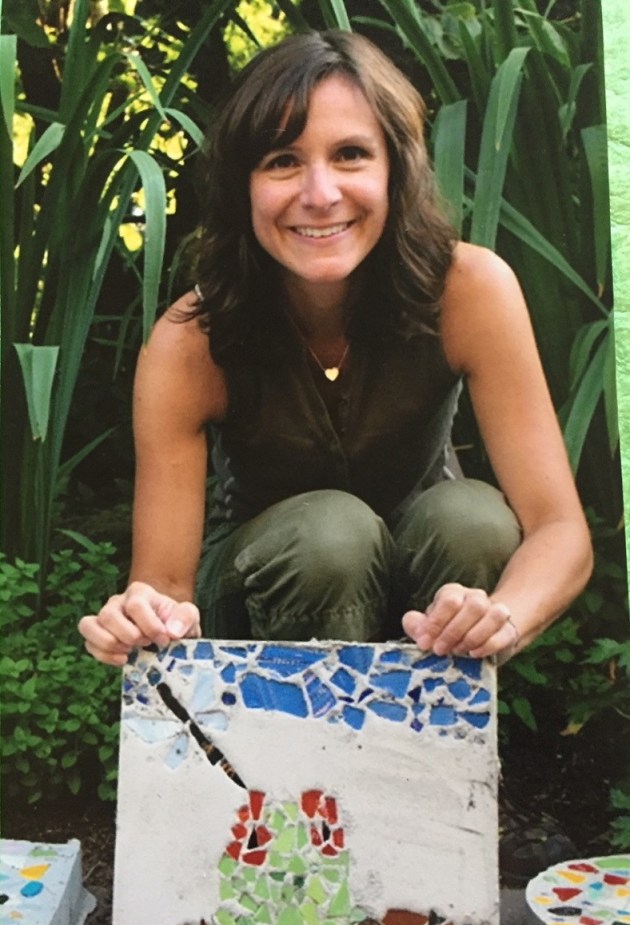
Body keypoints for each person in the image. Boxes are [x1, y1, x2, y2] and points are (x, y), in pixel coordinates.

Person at [79, 30, 592, 668]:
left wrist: (502, 616)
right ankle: (301, 759)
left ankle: (440, 745)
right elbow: (165, 587)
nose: (320, 194)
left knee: (473, 519)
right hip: (262, 603)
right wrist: (139, 618)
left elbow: (560, 531)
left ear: (395, 169)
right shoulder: (192, 340)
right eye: (282, 161)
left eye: (350, 154)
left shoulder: (470, 291)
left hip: (429, 581)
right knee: (331, 536)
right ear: (242, 185)